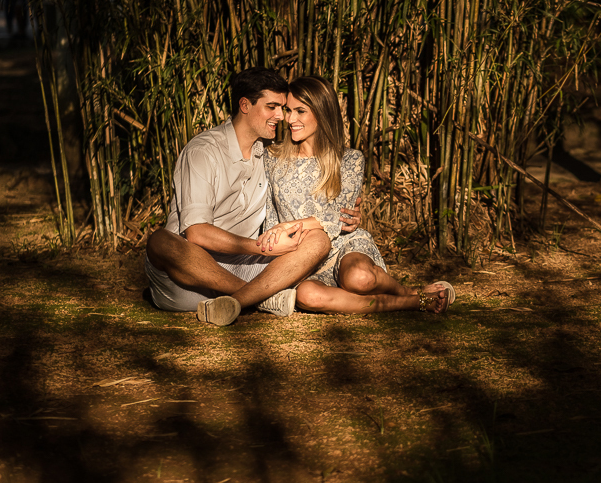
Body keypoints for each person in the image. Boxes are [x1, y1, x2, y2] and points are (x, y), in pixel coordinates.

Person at [144, 67, 359, 327]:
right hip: (189, 271)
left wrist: (346, 215)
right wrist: (258, 247)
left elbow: (307, 189)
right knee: (159, 240)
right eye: (272, 107)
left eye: (283, 108)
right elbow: (196, 233)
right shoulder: (203, 152)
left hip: (245, 266)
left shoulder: (269, 155)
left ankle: (241, 299)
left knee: (319, 240)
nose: (282, 116)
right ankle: (262, 299)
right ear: (245, 105)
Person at [260, 75, 454, 314]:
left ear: (322, 112)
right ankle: (413, 301)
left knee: (359, 279)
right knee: (308, 296)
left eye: (300, 111)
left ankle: (404, 290)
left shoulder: (350, 160)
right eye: (288, 111)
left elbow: (339, 218)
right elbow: (269, 214)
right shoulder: (272, 158)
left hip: (342, 244)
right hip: (299, 255)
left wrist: (288, 225)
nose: (290, 119)